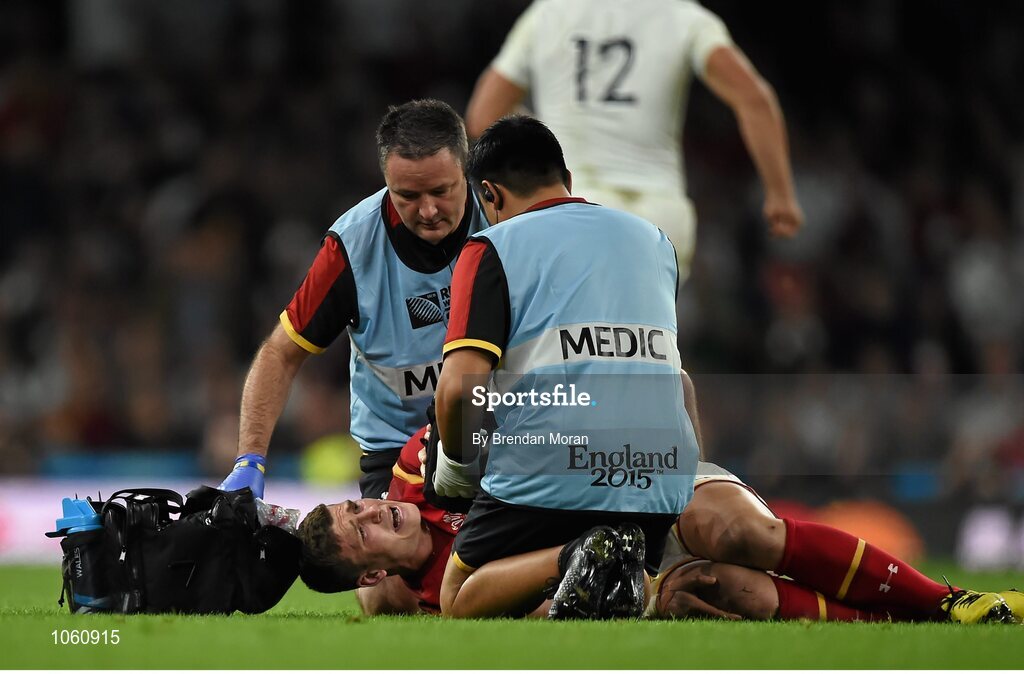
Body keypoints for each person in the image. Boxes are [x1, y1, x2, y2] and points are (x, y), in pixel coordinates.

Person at [294, 420, 1024, 624]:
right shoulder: (421, 596)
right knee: (708, 591)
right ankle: (891, 629)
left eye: (357, 504)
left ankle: (947, 600)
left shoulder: (430, 465)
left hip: (629, 481)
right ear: (379, 569)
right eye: (364, 528)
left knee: (739, 532)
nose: (373, 507)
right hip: (623, 556)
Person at [432, 114, 701, 619]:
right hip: (660, 479)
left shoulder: (491, 248)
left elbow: (458, 390)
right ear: (567, 180)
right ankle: (616, 576)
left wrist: (458, 462)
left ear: (489, 194)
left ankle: (573, 554)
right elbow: (674, 380)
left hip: (553, 470)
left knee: (458, 599)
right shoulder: (657, 243)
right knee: (593, 588)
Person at [217, 99, 489, 501]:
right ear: (385, 181)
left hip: (499, 436)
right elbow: (280, 353)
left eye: (441, 191)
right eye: (408, 195)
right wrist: (249, 460)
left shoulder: (505, 215)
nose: (428, 210)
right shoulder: (351, 248)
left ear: (464, 170)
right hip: (397, 454)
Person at [465, 0, 804, 281]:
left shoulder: (548, 14)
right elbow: (754, 99)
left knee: (573, 343)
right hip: (661, 217)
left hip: (576, 204)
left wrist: (544, 140)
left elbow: (483, 115)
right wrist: (781, 195)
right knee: (652, 344)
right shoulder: (685, 17)